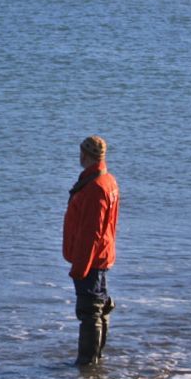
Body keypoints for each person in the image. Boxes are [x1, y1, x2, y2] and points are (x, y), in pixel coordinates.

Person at [63, 135, 120, 366]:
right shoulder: (107, 180)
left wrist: (79, 268)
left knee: (90, 311)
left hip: (92, 259)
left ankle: (88, 362)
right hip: (102, 255)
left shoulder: (95, 187)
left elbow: (91, 233)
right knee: (97, 306)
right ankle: (95, 359)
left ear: (85, 155)